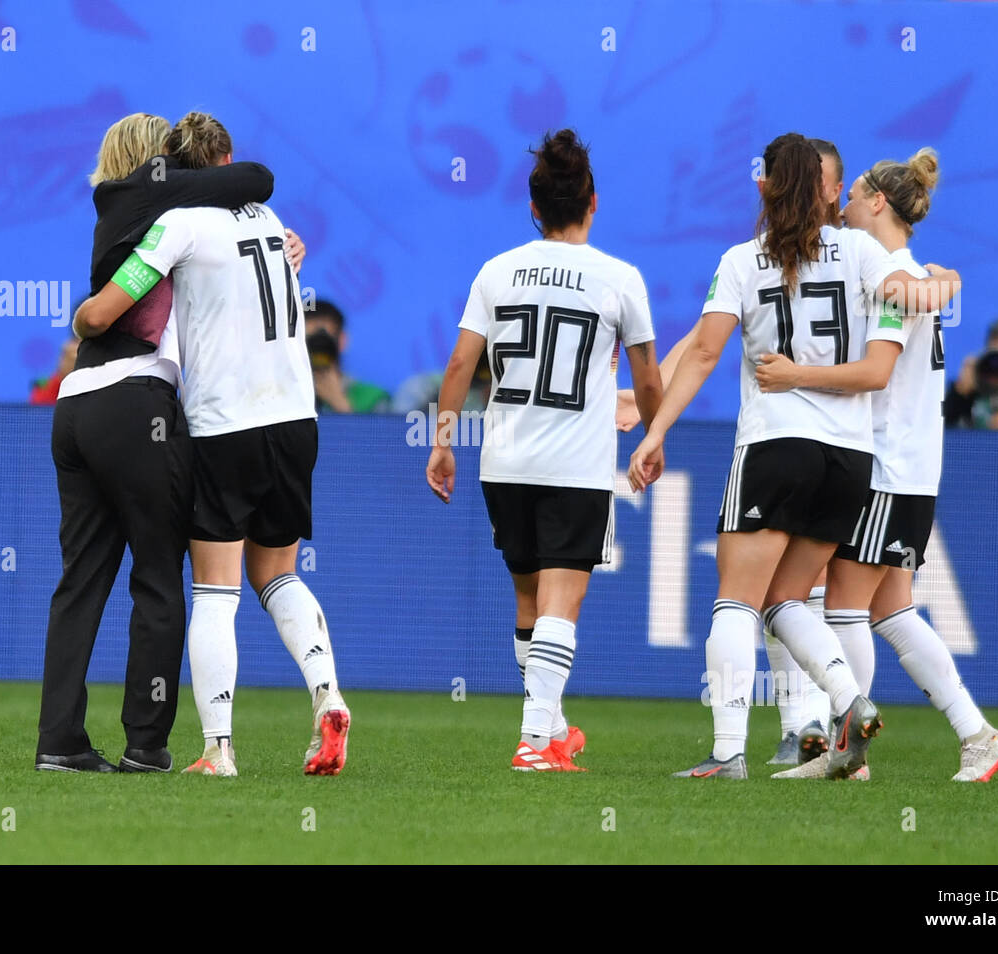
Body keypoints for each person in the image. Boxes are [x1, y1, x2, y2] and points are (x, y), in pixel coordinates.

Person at [628, 132, 961, 780]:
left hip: (776, 446)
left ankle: (727, 753)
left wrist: (654, 430)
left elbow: (702, 353)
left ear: (763, 185)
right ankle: (847, 700)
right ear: (828, 191)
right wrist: (945, 279)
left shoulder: (742, 261)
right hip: (849, 462)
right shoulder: (862, 250)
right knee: (787, 599)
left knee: (737, 602)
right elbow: (913, 291)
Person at [73, 112, 348, 778]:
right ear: (226, 158)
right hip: (296, 419)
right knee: (277, 573)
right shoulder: (268, 222)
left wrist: (85, 316)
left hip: (227, 423)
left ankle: (218, 749)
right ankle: (328, 696)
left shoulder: (179, 226)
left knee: (216, 591)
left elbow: (111, 306)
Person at [37, 112, 287, 774]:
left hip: (76, 404)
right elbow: (255, 178)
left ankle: (58, 740)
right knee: (157, 577)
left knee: (80, 582)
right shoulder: (164, 196)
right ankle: (145, 743)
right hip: (136, 403)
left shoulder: (115, 204)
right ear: (159, 162)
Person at [756, 148, 998, 782]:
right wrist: (947, 279)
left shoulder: (892, 280)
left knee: (839, 607)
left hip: (886, 468)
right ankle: (976, 734)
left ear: (876, 202)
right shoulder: (912, 276)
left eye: (854, 193)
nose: (841, 203)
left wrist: (794, 376)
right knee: (891, 611)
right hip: (912, 470)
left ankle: (849, 755)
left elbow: (874, 374)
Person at [426, 129, 664, 772]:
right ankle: (533, 743)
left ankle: (552, 728)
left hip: (503, 464)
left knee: (530, 604)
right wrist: (652, 431)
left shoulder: (496, 271)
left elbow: (459, 365)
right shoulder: (619, 278)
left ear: (534, 207)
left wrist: (443, 442)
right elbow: (645, 377)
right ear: (593, 201)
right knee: (563, 603)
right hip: (574, 466)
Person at [305, 300, 393, 413]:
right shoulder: (280, 396)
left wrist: (341, 406)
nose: (316, 348)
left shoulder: (374, 399)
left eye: (323, 340)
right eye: (306, 341)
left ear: (342, 341)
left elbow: (385, 430)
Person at [29, 336, 79, 405]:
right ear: (61, 359)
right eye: (69, 358)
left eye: (76, 359)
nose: (72, 363)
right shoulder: (42, 390)